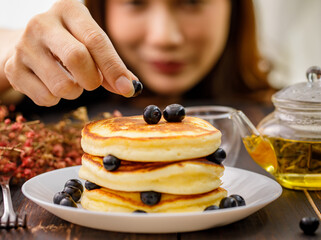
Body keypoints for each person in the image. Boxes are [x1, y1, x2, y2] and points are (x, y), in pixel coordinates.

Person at [0, 0, 273, 110]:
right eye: (135, 1)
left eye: (191, 1)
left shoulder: (285, 121)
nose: (164, 38)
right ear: (101, 9)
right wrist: (13, 47)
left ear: (235, 9)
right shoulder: (55, 97)